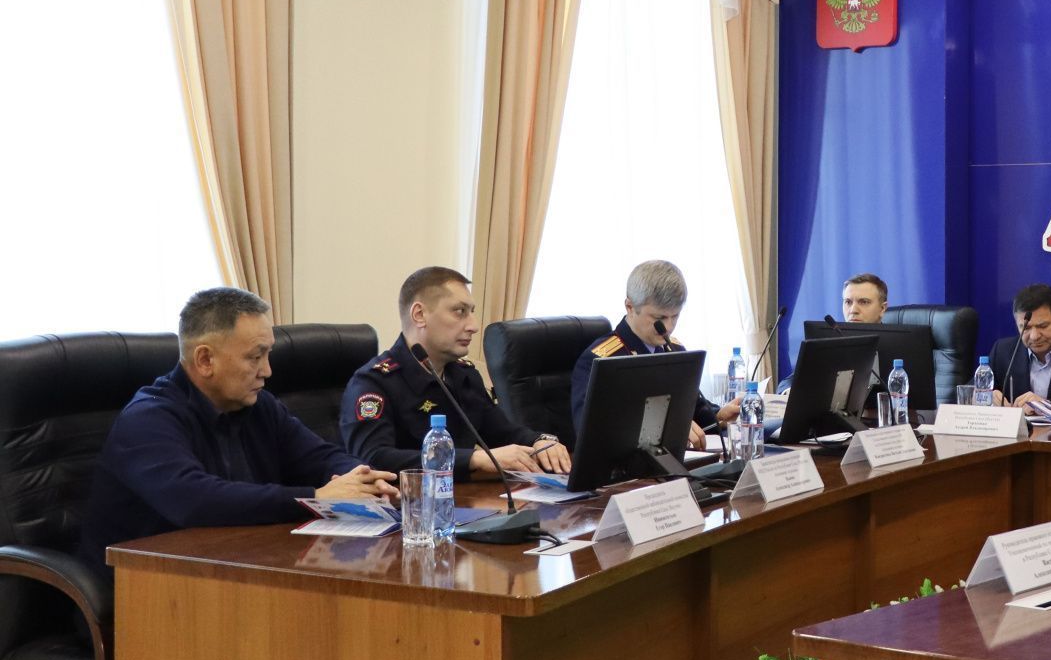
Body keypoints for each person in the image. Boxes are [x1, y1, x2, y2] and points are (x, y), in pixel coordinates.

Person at [83, 287, 397, 564]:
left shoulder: (259, 406)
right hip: (148, 582)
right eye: (255, 357)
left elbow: (319, 456)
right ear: (205, 360)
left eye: (268, 354)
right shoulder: (147, 419)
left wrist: (364, 480)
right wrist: (315, 496)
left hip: (238, 561)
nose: (267, 371)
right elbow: (195, 500)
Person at [344, 267, 570, 481]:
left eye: (471, 312)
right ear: (419, 314)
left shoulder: (463, 375)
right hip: (407, 504)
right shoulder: (374, 383)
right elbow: (373, 459)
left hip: (466, 500)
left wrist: (540, 441)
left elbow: (502, 432)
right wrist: (473, 459)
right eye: (459, 312)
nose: (473, 326)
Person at [570, 259, 737, 447]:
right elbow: (591, 431)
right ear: (630, 307)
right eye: (659, 318)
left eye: (675, 316)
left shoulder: (674, 350)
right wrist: (667, 428)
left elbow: (692, 407)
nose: (668, 327)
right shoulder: (601, 360)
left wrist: (719, 416)